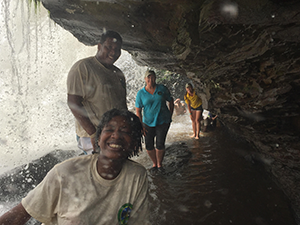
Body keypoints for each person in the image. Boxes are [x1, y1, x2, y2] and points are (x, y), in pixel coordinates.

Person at [0, 109, 150, 225]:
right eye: (109, 129)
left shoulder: (136, 176)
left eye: (125, 131)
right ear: (97, 139)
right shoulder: (64, 172)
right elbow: (20, 213)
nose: (116, 136)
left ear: (135, 144)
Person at [67, 30, 127, 155]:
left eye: (117, 49)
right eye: (109, 47)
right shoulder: (83, 67)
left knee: (114, 170)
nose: (113, 52)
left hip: (115, 134)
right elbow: (73, 103)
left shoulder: (119, 74)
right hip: (92, 135)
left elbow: (122, 105)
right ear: (99, 46)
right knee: (97, 171)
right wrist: (93, 134)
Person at [135, 70, 174, 173]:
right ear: (145, 79)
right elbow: (138, 111)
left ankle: (160, 164)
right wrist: (140, 125)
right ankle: (154, 163)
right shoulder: (141, 93)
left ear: (155, 78)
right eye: (148, 78)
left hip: (163, 121)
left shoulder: (162, 89)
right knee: (149, 144)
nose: (150, 80)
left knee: (160, 143)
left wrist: (170, 115)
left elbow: (170, 100)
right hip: (147, 123)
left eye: (152, 77)